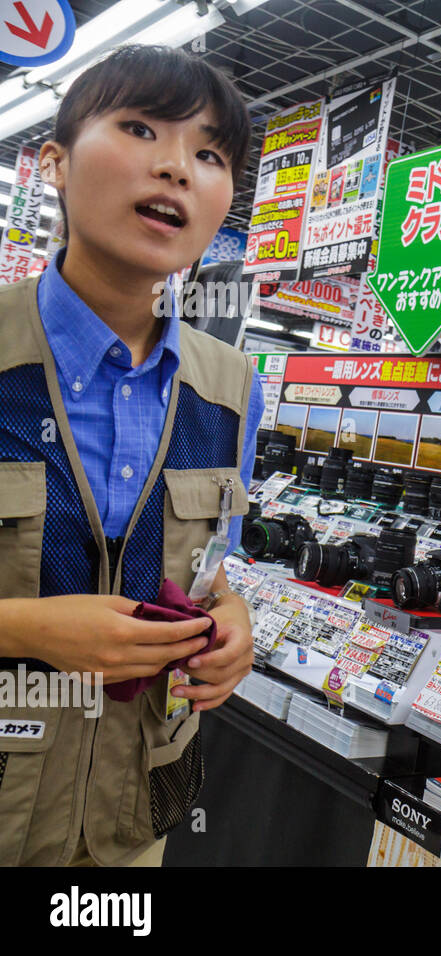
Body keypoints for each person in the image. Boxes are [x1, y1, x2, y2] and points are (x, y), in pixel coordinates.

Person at [0, 45, 261, 866]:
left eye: (210, 153)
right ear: (55, 165)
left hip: (129, 824)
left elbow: (215, 562)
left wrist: (232, 620)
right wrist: (23, 629)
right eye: (141, 127)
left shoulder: (232, 387)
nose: (177, 167)